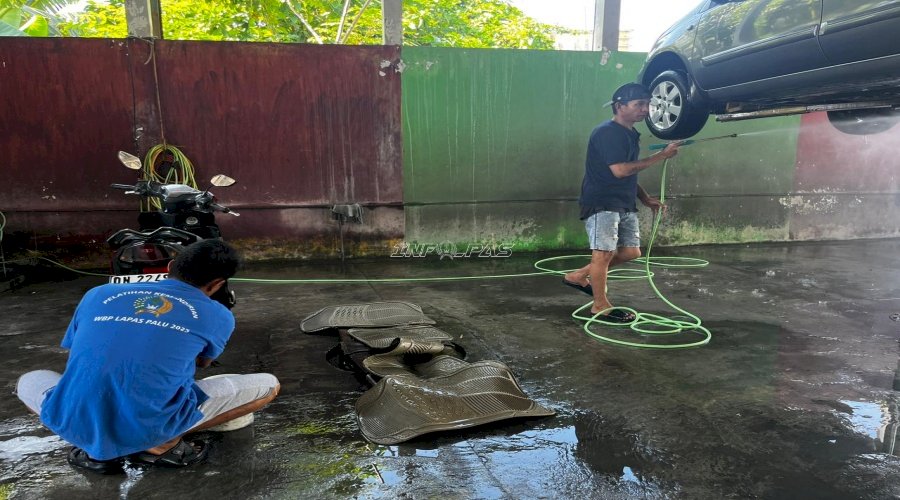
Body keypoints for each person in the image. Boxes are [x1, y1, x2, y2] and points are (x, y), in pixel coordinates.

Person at [15, 239, 280, 474]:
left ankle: (92, 444)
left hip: (73, 418)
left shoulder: (97, 294)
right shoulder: (218, 314)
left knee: (29, 380)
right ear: (217, 284)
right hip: (151, 421)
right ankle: (160, 443)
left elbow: (79, 352)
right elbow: (203, 362)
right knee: (268, 386)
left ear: (171, 265)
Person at [563, 83, 680, 322]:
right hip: (602, 202)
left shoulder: (629, 134)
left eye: (647, 104)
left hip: (623, 202)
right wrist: (661, 156)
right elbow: (619, 170)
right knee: (603, 255)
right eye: (639, 104)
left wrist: (645, 198)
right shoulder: (607, 132)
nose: (645, 109)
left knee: (631, 252)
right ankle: (600, 305)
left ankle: (578, 277)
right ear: (619, 106)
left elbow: (629, 172)